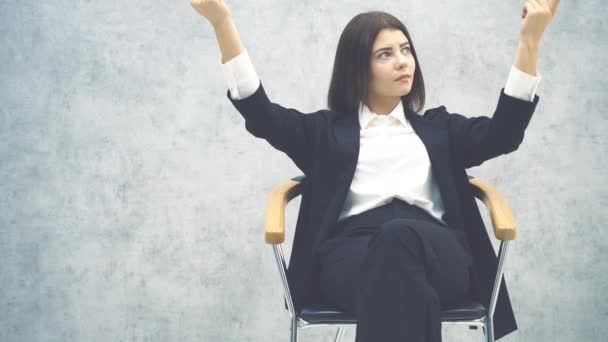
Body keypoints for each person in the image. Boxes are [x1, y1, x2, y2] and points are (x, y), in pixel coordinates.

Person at [190, 1, 560, 341]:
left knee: (399, 242)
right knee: (398, 272)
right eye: (385, 54)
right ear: (357, 69)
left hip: (438, 252)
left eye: (406, 50)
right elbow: (260, 113)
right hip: (352, 256)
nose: (403, 62)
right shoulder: (324, 133)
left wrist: (531, 39)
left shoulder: (440, 128)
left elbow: (504, 133)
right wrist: (222, 22)